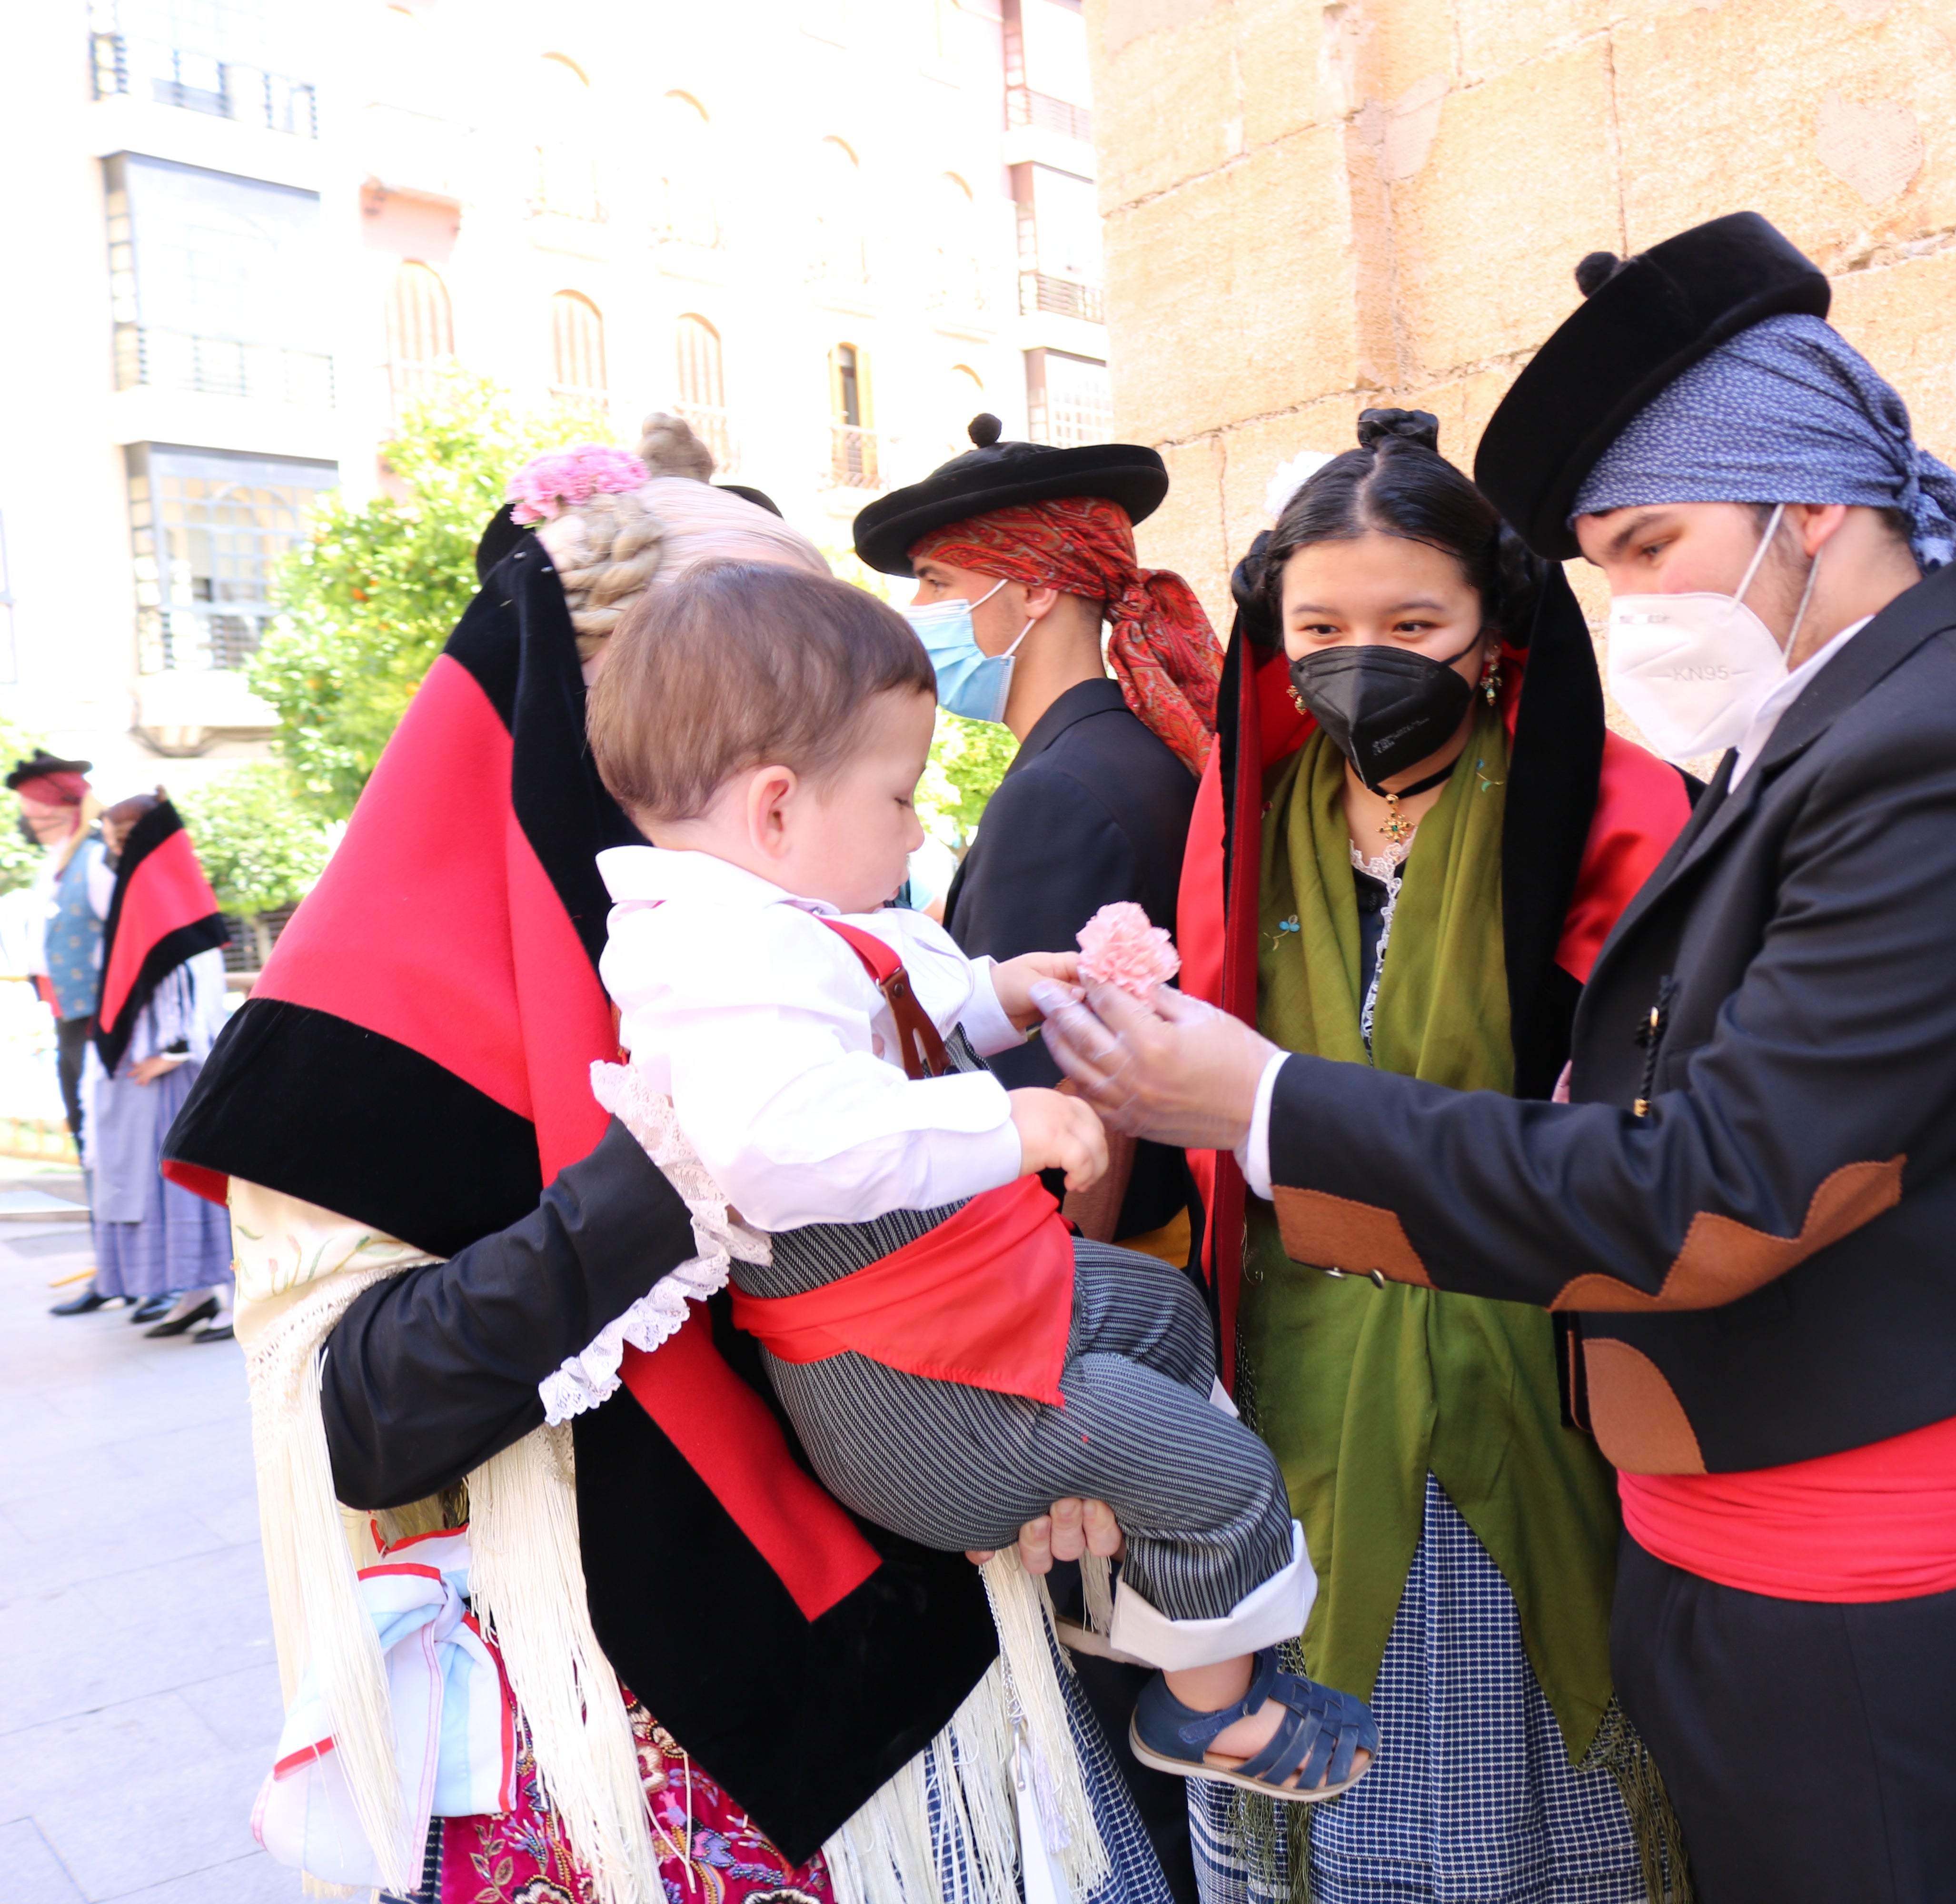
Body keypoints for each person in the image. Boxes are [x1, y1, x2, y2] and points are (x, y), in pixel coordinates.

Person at [1036, 212, 1956, 1903]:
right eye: (1604, 561)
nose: (1626, 602)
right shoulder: (1821, 742)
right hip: (1726, 1528)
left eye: (1647, 544)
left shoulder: (1941, 758)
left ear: (1813, 505)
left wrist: (1259, 1101)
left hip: (1869, 1564)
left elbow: (1718, 1182)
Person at [166, 414, 1180, 1904]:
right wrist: (676, 1168)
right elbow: (363, 1417)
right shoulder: (370, 1003)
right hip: (623, 1750)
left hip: (940, 1662)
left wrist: (1053, 1439)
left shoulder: (812, 919)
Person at [584, 558, 1369, 1801]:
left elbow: (920, 998)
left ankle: (1138, 1597)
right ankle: (1210, 1714)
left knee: (1167, 1318)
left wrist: (1021, 990)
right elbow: (788, 1145)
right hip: (908, 1385)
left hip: (956, 1313)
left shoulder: (792, 919)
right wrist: (1011, 1129)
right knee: (1221, 1477)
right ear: (777, 809)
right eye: (898, 796)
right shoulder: (716, 965)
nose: (915, 828)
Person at [1165, 408, 1695, 1901]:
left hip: (1526, 1376)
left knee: (1507, 1799)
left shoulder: (1610, 808)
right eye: (1317, 622)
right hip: (1294, 1398)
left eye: (1411, 620)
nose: (1359, 653)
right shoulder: (1244, 823)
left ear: (1491, 631)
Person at [854, 415, 1217, 1263]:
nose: (917, 612)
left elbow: (1034, 1096)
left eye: (937, 582)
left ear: (1038, 590)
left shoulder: (1057, 791)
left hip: (1085, 1259)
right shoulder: (1122, 749)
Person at [78, 793, 233, 1339]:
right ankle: (194, 1294)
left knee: (194, 1178)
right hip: (149, 1065)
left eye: (119, 838)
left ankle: (233, 1299)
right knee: (158, 1185)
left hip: (177, 1069)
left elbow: (196, 974)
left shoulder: (172, 894)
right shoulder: (139, 896)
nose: (111, 849)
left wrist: (171, 1051)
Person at [11, 752, 127, 1314]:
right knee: (89, 1147)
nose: (27, 821)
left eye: (35, 811)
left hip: (98, 1020)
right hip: (68, 1020)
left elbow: (126, 938)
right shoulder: (57, 862)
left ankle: (143, 1270)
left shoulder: (95, 860)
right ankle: (113, 1268)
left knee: (113, 1147)